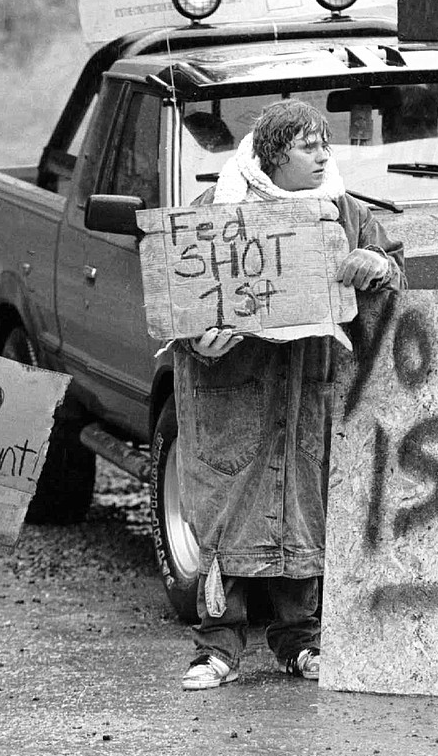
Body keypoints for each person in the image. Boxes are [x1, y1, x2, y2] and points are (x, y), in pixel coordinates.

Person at [174, 99, 406, 690]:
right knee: (228, 511)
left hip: (306, 389)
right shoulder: (217, 212)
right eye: (309, 146)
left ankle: (300, 641)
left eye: (326, 144)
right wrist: (203, 339)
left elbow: (395, 267)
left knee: (300, 506)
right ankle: (217, 646)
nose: (325, 156)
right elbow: (176, 297)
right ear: (273, 156)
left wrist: (373, 262)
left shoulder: (342, 210)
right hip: (234, 397)